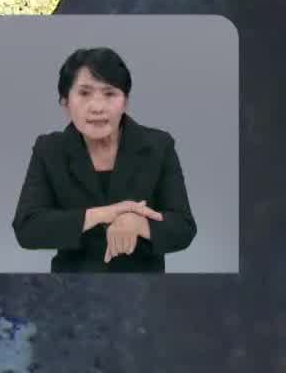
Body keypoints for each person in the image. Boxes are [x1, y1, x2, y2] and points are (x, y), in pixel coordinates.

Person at [11, 47, 198, 272]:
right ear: (65, 102)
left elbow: (183, 227)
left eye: (110, 94)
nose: (98, 107)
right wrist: (104, 214)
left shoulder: (158, 146)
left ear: (125, 101)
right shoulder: (49, 150)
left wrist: (138, 224)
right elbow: (27, 228)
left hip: (144, 287)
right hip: (71, 288)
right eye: (84, 93)